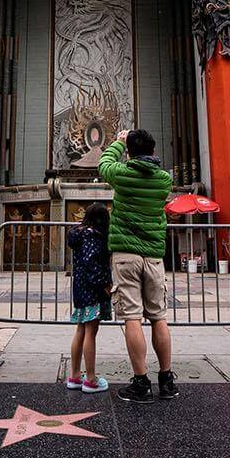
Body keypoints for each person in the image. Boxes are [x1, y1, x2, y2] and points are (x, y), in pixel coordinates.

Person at [99, 128, 177, 403]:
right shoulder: (164, 180)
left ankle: (141, 381)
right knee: (159, 316)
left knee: (132, 317)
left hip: (125, 255)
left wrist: (118, 142)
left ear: (129, 152)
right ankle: (167, 380)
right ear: (154, 151)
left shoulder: (122, 175)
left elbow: (104, 164)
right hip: (154, 257)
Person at [65, 202, 112, 394]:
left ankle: (75, 376)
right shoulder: (94, 236)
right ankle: (90, 379)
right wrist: (105, 284)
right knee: (91, 331)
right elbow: (92, 262)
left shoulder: (79, 235)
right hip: (93, 290)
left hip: (80, 289)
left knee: (80, 330)